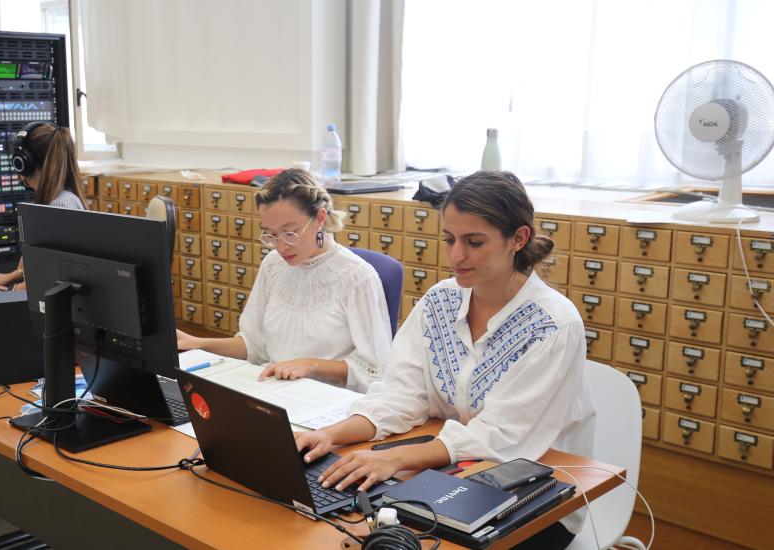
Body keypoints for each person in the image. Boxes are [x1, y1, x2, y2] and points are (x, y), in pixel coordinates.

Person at [296, 171, 595, 548]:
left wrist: (398, 459)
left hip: (537, 500)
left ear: (518, 239)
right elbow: (400, 393)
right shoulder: (441, 300)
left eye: (474, 242)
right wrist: (329, 435)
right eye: (450, 240)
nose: (456, 255)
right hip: (457, 475)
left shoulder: (553, 324)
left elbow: (501, 436)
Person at [176, 169, 392, 392]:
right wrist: (198, 343)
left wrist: (311, 365)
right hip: (272, 392)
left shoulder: (357, 276)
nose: (281, 247)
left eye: (290, 233)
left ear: (319, 219)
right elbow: (253, 345)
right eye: (270, 235)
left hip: (326, 401)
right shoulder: (273, 265)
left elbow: (376, 369)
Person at [0, 122, 87, 289]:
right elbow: (46, 261)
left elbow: (53, 275)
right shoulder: (61, 199)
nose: (18, 175)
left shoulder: (59, 206)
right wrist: (11, 277)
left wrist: (10, 291)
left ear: (26, 163)